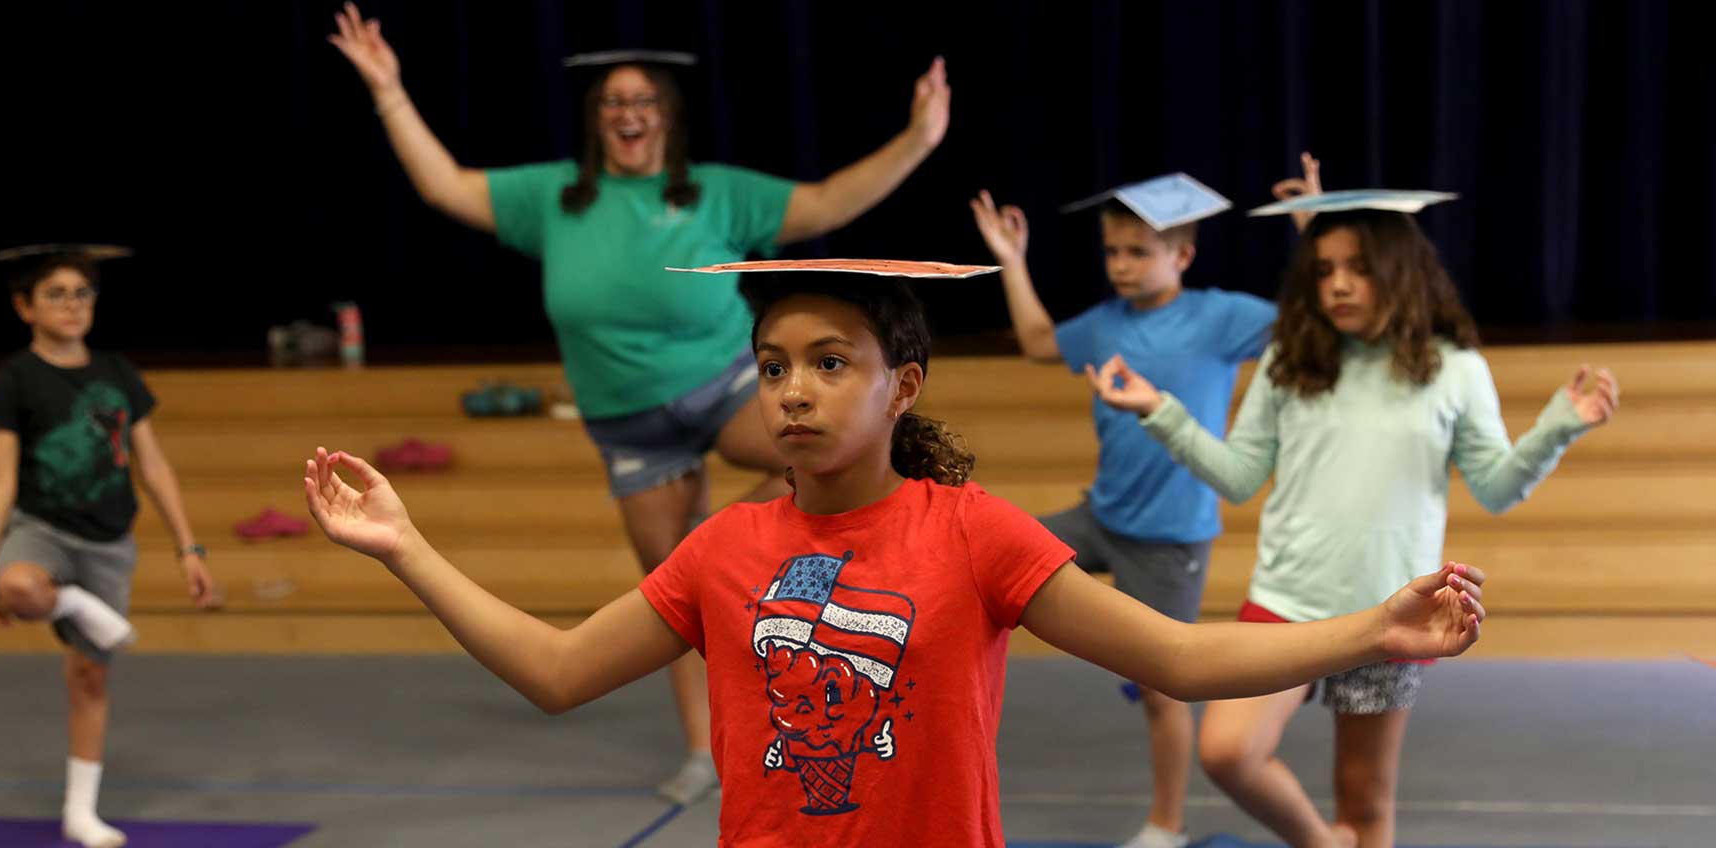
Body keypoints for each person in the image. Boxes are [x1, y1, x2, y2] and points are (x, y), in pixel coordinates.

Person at [300, 261, 1489, 846]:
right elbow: (557, 670)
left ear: (901, 383)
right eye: (773, 367)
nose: (794, 392)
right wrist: (407, 544)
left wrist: (1370, 630)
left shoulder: (969, 530)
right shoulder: (727, 547)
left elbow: (1177, 655)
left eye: (831, 361)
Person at [329, 3, 954, 801]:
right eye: (614, 104)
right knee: (680, 589)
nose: (629, 115)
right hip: (629, 425)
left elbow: (827, 202)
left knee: (813, 461)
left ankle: (743, 537)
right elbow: (445, 185)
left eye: (644, 102)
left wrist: (919, 139)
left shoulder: (716, 194)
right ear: (598, 121)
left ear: (667, 117)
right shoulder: (554, 196)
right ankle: (706, 751)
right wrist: (388, 88)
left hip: (724, 388)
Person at [1088, 188, 1618, 848]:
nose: (1338, 285)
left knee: (1365, 804)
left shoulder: (1455, 369)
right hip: (1285, 604)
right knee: (1227, 751)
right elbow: (1238, 475)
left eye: (1358, 268)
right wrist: (1157, 408)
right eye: (1324, 270)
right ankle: (1320, 844)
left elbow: (1497, 487)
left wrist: (1558, 428)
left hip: (1392, 618)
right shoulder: (1290, 362)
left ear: (1400, 270)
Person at [971, 175, 1276, 848]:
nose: (1122, 266)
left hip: (1169, 542)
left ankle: (1168, 824)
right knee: (987, 558)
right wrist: (1013, 259)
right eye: (1113, 252)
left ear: (1183, 257)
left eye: (1139, 251)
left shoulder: (1220, 317)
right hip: (1101, 519)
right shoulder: (1106, 322)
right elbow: (1038, 342)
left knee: (1167, 688)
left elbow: (1307, 320)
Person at [0, 244, 219, 848]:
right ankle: (74, 604)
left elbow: (153, 465)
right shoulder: (15, 380)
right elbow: (0, 476)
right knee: (19, 587)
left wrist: (190, 549)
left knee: (88, 677)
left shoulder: (117, 373)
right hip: (42, 530)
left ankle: (80, 812)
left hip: (108, 541)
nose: (73, 305)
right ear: (24, 306)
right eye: (56, 294)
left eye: (82, 293)